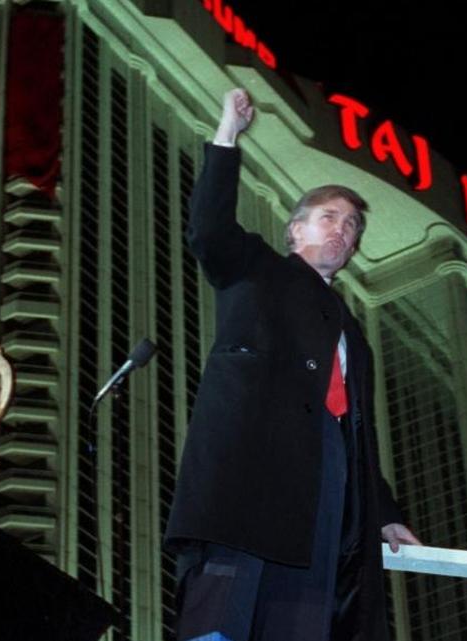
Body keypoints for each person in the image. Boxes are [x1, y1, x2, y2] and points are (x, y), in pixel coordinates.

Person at [164, 88, 420, 641]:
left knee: (302, 615)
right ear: (294, 230)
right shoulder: (256, 269)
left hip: (325, 478)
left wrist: (383, 512)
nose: (341, 229)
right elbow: (208, 230)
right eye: (328, 216)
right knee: (222, 615)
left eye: (351, 225)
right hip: (250, 471)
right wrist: (227, 131)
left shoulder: (351, 332)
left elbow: (358, 429)